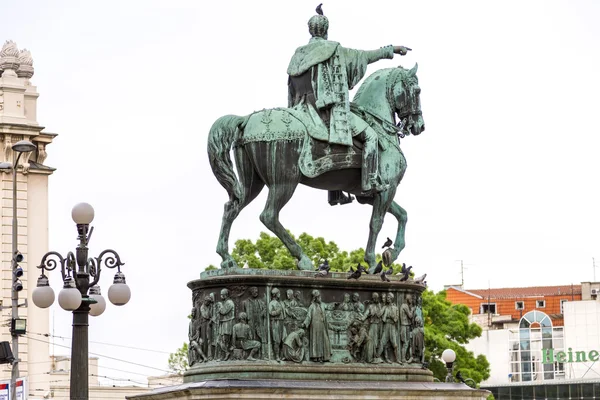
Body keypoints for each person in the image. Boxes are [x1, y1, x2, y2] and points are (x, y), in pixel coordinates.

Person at [287, 4, 410, 196]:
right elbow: (366, 56)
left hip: (301, 110)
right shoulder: (333, 49)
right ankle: (370, 182)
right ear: (325, 31)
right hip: (327, 110)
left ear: (310, 30)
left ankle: (335, 192)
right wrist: (391, 49)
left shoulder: (297, 56)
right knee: (370, 136)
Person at [302, 289, 333, 362]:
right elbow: (308, 316)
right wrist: (305, 323)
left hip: (322, 326)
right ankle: (316, 357)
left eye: (320, 296)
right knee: (316, 341)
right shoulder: (312, 306)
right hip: (315, 326)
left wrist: (334, 305)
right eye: (318, 297)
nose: (320, 298)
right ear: (315, 298)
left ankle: (324, 357)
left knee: (324, 340)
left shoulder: (322, 304)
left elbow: (328, 307)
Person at [242, 286, 267, 359]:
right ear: (251, 292)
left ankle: (263, 355)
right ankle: (251, 356)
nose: (256, 293)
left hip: (259, 322)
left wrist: (263, 312)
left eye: (257, 291)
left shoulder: (260, 302)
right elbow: (243, 315)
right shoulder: (245, 302)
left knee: (262, 338)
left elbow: (264, 310)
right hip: (250, 323)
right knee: (252, 338)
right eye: (254, 291)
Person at [377, 293, 400, 363]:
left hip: (392, 327)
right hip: (386, 326)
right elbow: (379, 314)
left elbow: (396, 319)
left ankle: (397, 359)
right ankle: (377, 357)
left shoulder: (395, 308)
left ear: (392, 298)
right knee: (382, 342)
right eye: (387, 297)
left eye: (389, 297)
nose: (387, 299)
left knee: (395, 345)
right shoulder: (385, 307)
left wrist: (391, 316)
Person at [362, 292, 383, 363]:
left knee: (377, 341)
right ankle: (369, 357)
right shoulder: (370, 306)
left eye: (376, 298)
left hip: (378, 325)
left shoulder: (380, 305)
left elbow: (380, 314)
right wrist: (362, 318)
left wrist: (376, 313)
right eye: (374, 298)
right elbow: (366, 313)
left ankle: (375, 356)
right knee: (371, 340)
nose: (375, 299)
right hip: (372, 325)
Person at [217, 288, 235, 361]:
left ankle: (227, 354)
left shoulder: (229, 303)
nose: (221, 296)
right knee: (219, 340)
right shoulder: (225, 302)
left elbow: (223, 311)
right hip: (224, 322)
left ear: (226, 295)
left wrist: (220, 305)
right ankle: (226, 353)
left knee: (225, 340)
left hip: (228, 323)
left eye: (222, 294)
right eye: (220, 294)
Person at [269, 288, 286, 361]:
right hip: (275, 322)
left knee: (283, 338)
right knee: (276, 340)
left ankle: (282, 355)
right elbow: (270, 312)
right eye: (278, 293)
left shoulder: (280, 302)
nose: (280, 294)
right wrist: (277, 312)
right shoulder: (272, 303)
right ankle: (277, 356)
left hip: (281, 322)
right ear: (275, 294)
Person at [199, 295, 217, 360]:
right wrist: (210, 316)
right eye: (208, 302)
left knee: (210, 339)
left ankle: (210, 355)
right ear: (205, 301)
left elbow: (212, 315)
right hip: (204, 324)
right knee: (205, 340)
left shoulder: (210, 306)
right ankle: (204, 356)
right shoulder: (202, 307)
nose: (209, 303)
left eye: (210, 302)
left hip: (209, 323)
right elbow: (206, 315)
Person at [400, 294, 415, 363]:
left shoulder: (404, 305)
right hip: (404, 326)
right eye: (410, 299)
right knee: (405, 343)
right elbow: (410, 316)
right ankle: (403, 358)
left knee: (407, 342)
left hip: (405, 325)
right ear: (407, 299)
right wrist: (412, 310)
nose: (411, 300)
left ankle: (405, 357)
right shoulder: (405, 306)